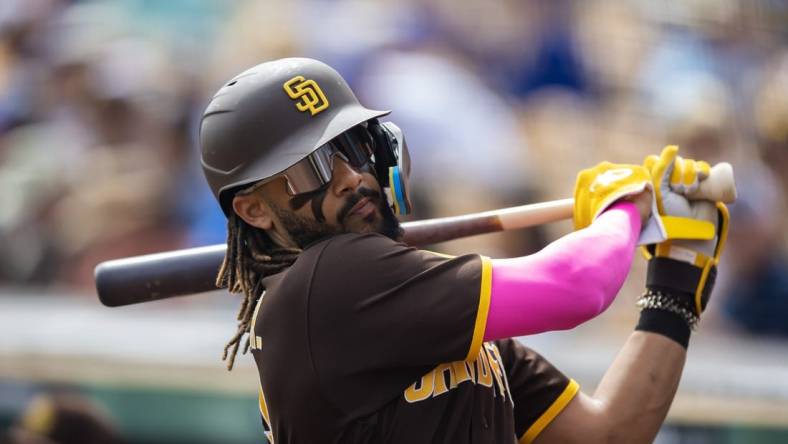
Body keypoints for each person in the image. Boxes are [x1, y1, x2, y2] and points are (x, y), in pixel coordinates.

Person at [198, 58, 728, 443]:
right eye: (311, 166)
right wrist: (626, 208)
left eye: (352, 148)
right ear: (254, 210)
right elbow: (575, 289)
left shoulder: (424, 310)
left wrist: (675, 285)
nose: (350, 178)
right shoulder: (330, 282)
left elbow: (608, 433)